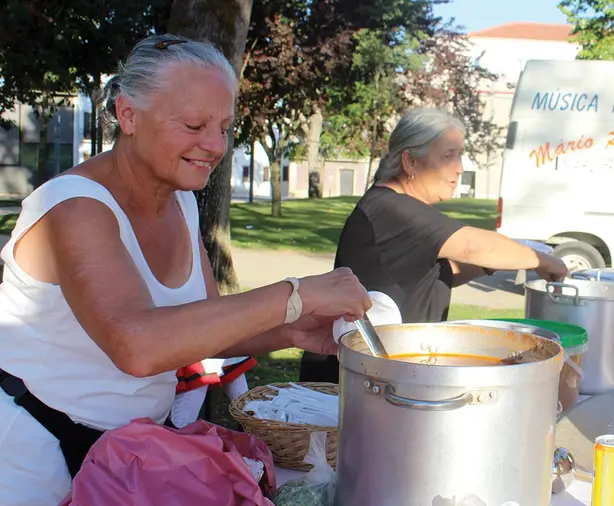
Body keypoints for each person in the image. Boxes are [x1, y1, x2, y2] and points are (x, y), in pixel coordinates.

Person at [0, 34, 371, 505]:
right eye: (194, 125)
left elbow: (203, 323)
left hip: (126, 459)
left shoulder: (181, 202)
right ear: (128, 115)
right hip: (31, 458)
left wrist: (292, 329)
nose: (215, 146)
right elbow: (136, 346)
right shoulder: (73, 208)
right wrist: (294, 292)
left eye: (224, 126)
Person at [299, 108, 569, 383]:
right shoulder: (392, 209)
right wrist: (546, 260)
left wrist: (494, 264)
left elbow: (438, 274)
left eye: (459, 155)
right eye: (448, 156)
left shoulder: (394, 207)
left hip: (377, 374)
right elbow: (474, 246)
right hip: (346, 383)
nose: (460, 167)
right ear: (410, 161)